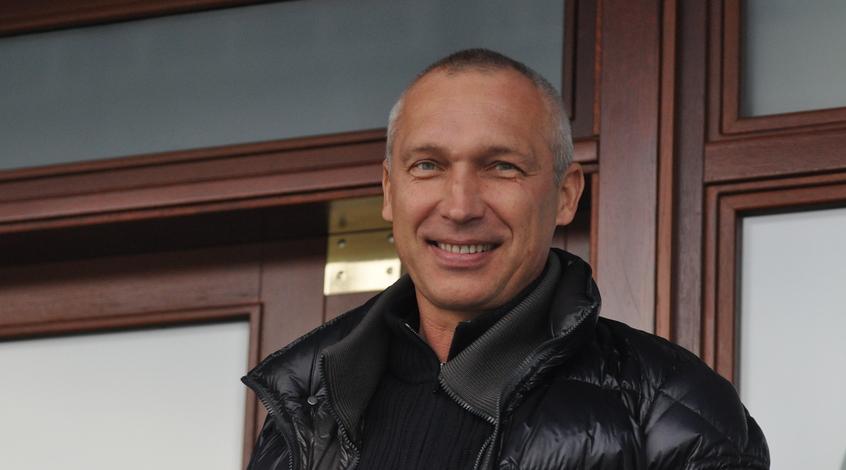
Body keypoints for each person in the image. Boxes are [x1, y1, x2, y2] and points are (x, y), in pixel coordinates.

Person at [243, 49, 769, 470]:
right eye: (427, 165)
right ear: (388, 190)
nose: (460, 207)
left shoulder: (673, 410)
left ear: (566, 195)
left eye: (501, 167)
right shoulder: (304, 404)